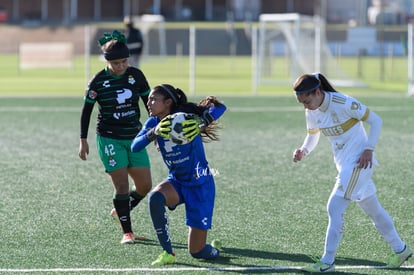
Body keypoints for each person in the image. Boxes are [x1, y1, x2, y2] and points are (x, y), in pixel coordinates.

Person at [292, 73, 412, 273]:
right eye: (301, 103)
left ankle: (327, 261)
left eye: (307, 100)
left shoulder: (344, 102)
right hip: (344, 164)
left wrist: (369, 148)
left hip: (358, 163)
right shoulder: (312, 111)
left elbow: (376, 120)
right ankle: (400, 250)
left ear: (318, 92)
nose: (305, 106)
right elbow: (312, 135)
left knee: (334, 207)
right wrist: (303, 150)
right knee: (374, 210)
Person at [131, 84, 226, 266]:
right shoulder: (153, 122)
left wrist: (202, 122)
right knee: (155, 198)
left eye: (153, 99)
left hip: (200, 185)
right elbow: (135, 147)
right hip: (177, 181)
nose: (148, 103)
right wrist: (154, 133)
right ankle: (168, 253)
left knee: (197, 252)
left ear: (167, 102)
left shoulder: (187, 117)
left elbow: (220, 108)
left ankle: (214, 249)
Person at [78, 30, 152, 245]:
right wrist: (83, 140)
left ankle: (121, 210)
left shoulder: (136, 75)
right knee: (121, 186)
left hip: (135, 137)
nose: (121, 66)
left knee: (145, 186)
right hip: (109, 139)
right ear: (107, 61)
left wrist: (156, 130)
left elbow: (150, 105)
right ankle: (127, 232)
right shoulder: (98, 82)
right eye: (116, 63)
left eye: (124, 61)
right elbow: (86, 111)